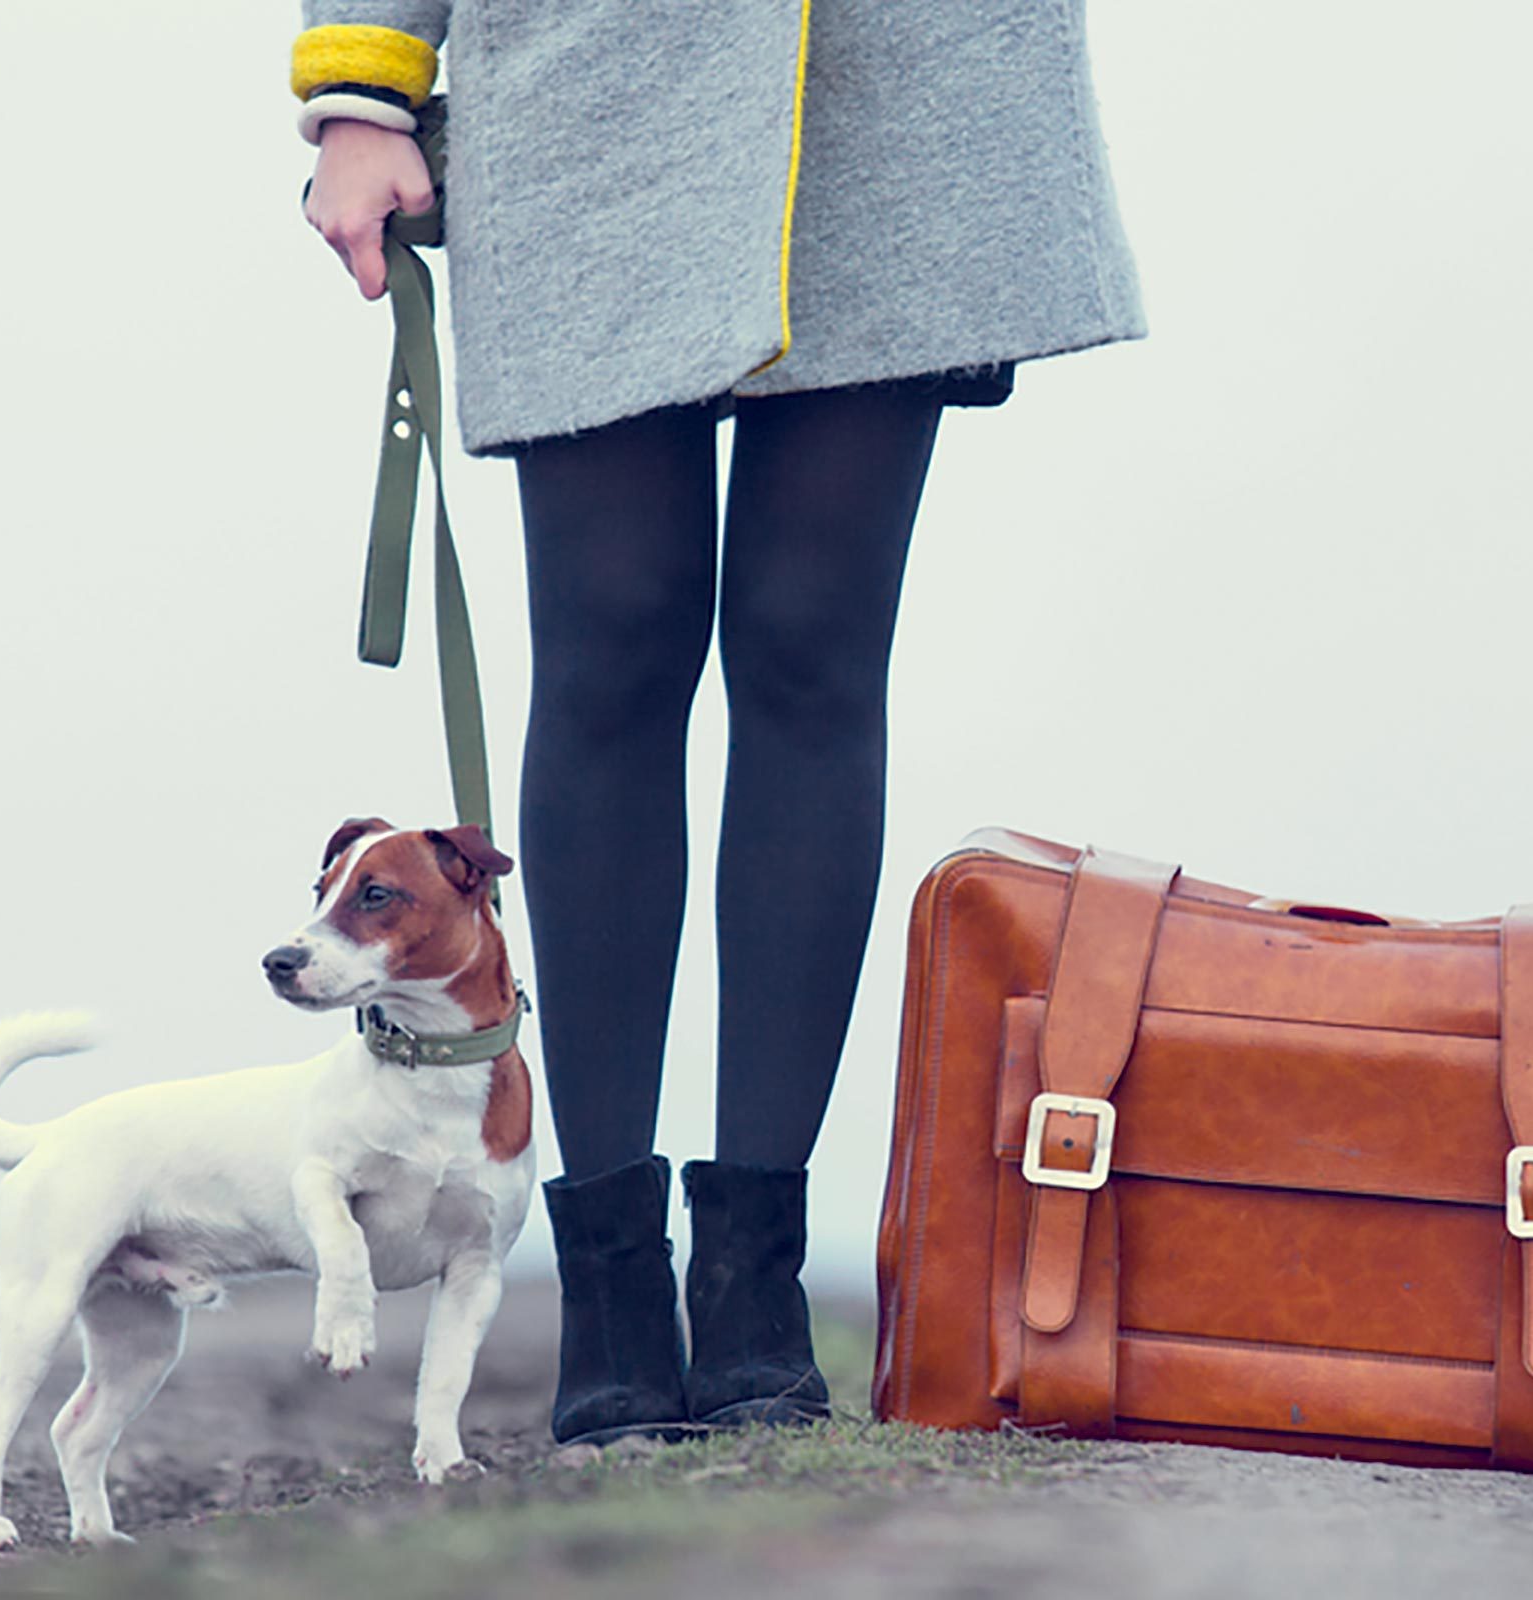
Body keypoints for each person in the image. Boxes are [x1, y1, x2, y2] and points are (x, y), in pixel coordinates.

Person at [291, 0, 1144, 1446]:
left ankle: (755, 1288)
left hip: (904, 77)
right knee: (613, 647)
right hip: (594, 74)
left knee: (814, 650)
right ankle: (611, 1288)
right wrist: (364, 84)